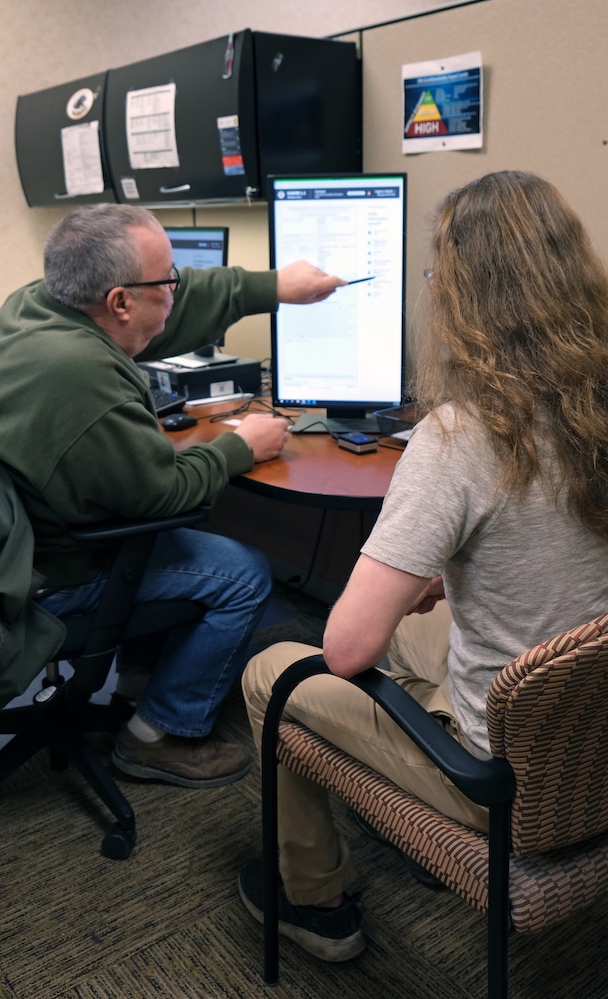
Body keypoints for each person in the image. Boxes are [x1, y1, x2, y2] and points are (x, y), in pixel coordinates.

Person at [238, 170, 608, 961]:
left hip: (502, 780)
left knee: (277, 668)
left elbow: (344, 652)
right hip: (593, 735)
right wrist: (452, 572)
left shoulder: (460, 437)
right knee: (416, 632)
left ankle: (316, 905)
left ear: (465, 298)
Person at [0, 203, 345, 789]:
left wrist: (272, 287)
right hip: (53, 573)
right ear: (119, 301)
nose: (177, 291)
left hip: (32, 534)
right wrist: (242, 446)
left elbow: (161, 312)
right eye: (169, 281)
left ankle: (137, 684)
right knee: (243, 574)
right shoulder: (84, 374)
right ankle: (156, 734)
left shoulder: (35, 307)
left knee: (187, 551)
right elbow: (162, 495)